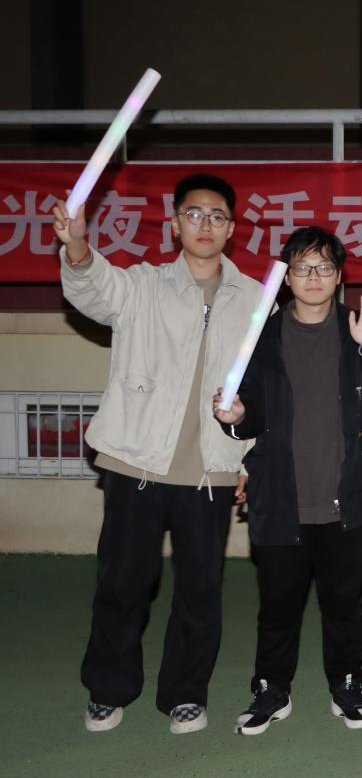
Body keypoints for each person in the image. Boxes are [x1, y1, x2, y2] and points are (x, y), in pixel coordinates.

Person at [53, 174, 263, 734]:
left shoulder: (254, 300)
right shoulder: (142, 285)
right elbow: (91, 287)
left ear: (232, 229)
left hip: (211, 470)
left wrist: (250, 460)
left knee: (200, 591)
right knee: (123, 583)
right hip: (136, 461)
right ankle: (108, 689)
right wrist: (78, 245)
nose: (205, 225)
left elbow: (263, 391)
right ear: (174, 223)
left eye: (217, 216)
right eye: (194, 214)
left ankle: (185, 694)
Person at [212, 226, 362, 734]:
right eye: (302, 267)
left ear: (339, 276)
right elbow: (249, 415)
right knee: (277, 606)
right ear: (286, 277)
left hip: (346, 497)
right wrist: (235, 416)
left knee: (343, 604)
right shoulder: (263, 335)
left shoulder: (356, 329)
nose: (313, 276)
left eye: (324, 267)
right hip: (282, 496)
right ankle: (270, 690)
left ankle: (348, 686)